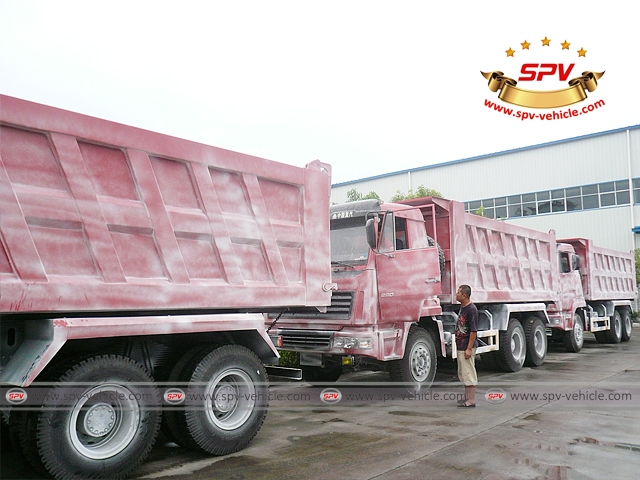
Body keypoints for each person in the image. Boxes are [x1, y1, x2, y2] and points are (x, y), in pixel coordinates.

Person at [455, 284, 478, 407]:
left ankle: (471, 400)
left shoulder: (471, 309)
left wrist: (469, 348)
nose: (456, 294)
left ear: (464, 295)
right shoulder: (462, 307)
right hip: (460, 345)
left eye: (458, 292)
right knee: (463, 373)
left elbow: (473, 331)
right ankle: (466, 397)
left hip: (466, 346)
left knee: (469, 373)